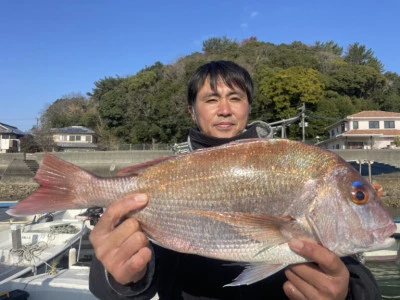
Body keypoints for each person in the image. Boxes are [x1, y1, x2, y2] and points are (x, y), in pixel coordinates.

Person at [89, 60, 381, 299]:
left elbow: (355, 275)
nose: (225, 109)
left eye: (235, 98)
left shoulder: (292, 161)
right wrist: (122, 276)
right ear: (192, 111)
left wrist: (347, 292)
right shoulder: (167, 175)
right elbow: (120, 284)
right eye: (211, 99)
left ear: (248, 107)